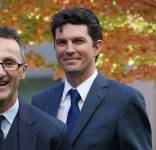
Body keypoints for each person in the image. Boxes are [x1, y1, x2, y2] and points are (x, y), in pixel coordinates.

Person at [31, 7, 152, 150]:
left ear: (97, 47)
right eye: (62, 42)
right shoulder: (40, 102)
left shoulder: (125, 101)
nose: (69, 50)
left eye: (78, 41)